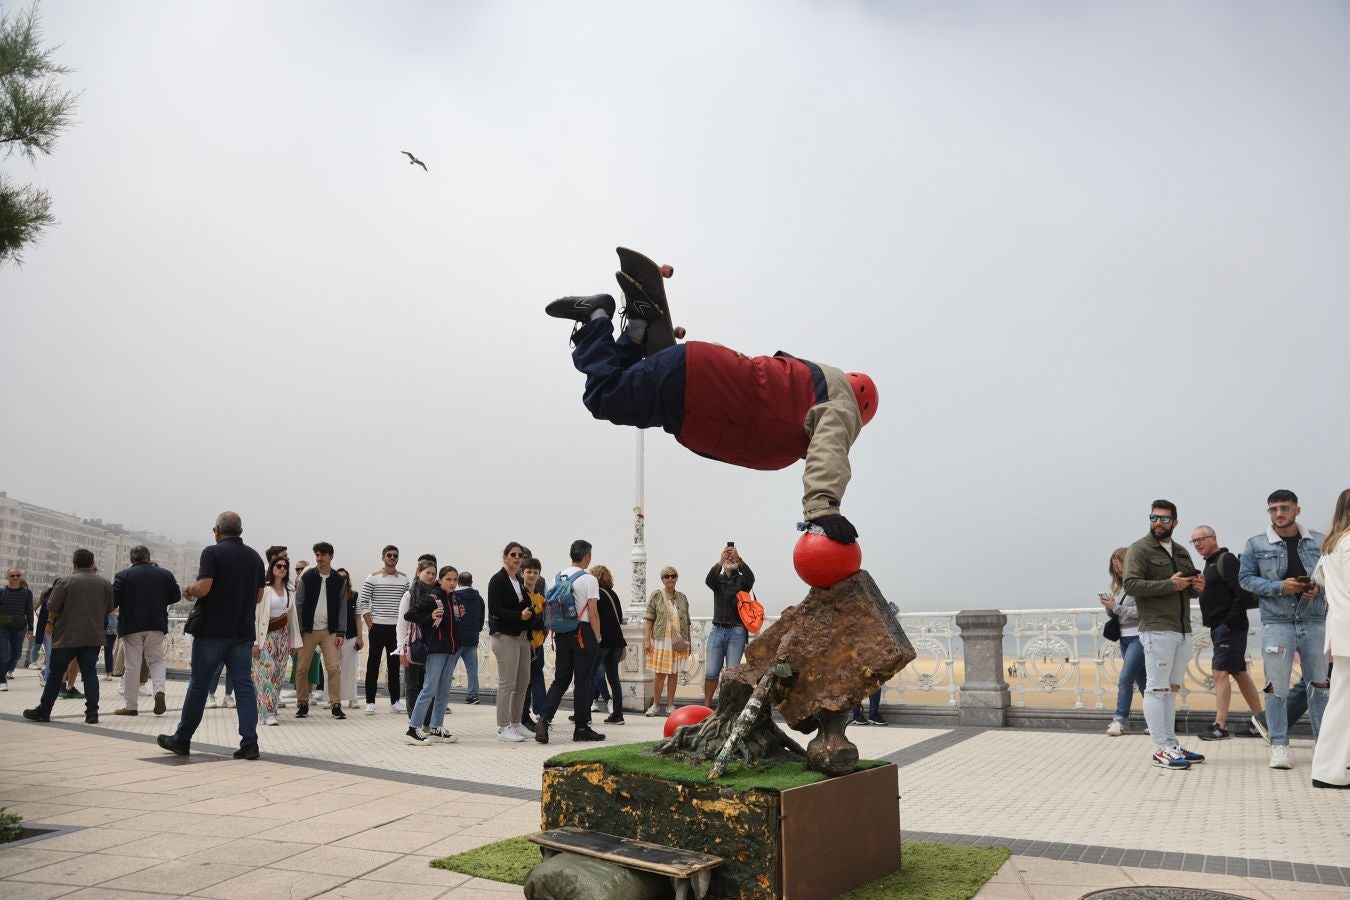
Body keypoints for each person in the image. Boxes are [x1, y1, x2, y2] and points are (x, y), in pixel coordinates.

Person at [545, 293, 877, 545]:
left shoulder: (802, 393)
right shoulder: (841, 404)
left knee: (621, 390)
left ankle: (636, 328)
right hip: (694, 387)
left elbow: (751, 396)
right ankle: (596, 316)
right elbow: (830, 452)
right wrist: (824, 509)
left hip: (691, 393)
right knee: (604, 396)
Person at [158, 512, 265, 758]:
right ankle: (250, 743)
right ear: (240, 531)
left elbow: (204, 588)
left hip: (212, 631)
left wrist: (189, 589)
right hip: (242, 631)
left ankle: (182, 739)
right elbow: (259, 596)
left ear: (217, 530)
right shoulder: (254, 557)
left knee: (199, 684)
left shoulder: (212, 552)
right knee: (244, 686)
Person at [1238, 489, 1328, 770]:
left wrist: (1317, 588)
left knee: (1320, 686)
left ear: (1297, 510)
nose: (1278, 513)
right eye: (1273, 509)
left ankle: (1324, 748)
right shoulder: (1255, 543)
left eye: (1284, 508)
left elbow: (1333, 577)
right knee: (1276, 688)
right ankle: (1279, 744)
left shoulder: (1319, 541)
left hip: (1314, 621)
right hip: (1277, 623)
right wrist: (1280, 587)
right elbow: (1245, 579)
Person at [1122, 500, 1206, 771]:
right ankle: (1160, 749)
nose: (1158, 523)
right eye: (1154, 517)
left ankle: (1171, 744)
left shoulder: (1181, 551)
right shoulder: (1139, 549)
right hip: (1157, 628)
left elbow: (1187, 589)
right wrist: (1169, 585)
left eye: (1164, 519)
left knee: (1171, 690)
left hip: (1182, 629)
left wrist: (1197, 587)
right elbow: (1131, 585)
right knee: (1156, 689)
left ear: (1175, 522)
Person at [1190, 526, 1264, 741]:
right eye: (1194, 541)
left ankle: (1219, 726)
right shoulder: (1209, 564)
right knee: (1239, 673)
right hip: (1221, 628)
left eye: (1201, 539)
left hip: (1229, 627)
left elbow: (1242, 593)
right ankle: (1261, 721)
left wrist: (1228, 623)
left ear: (1213, 538)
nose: (1197, 544)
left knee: (1219, 673)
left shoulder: (1227, 560)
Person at [23, 549, 112, 725]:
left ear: (74, 563)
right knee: (90, 674)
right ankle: (92, 713)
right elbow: (109, 608)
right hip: (93, 636)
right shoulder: (104, 583)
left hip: (67, 636)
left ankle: (44, 710)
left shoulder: (65, 581)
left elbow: (52, 605)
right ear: (92, 563)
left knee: (56, 674)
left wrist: (51, 622)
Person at [535, 540, 605, 745]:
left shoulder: (557, 577)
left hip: (561, 633)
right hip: (583, 632)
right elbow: (593, 612)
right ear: (587, 556)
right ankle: (581, 728)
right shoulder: (589, 579)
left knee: (561, 679)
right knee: (583, 681)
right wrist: (598, 637)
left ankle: (544, 719)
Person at [1311, 488, 1350, 789]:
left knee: (1341, 700)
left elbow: (1320, 581)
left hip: (1340, 628)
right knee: (1341, 702)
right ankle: (1327, 771)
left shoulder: (1332, 544)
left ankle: (1331, 767)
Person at [111, 545, 179, 716]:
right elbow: (176, 596)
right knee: (156, 661)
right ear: (149, 557)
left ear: (131, 559)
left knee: (132, 665)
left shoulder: (123, 575)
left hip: (131, 626)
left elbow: (113, 600)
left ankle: (131, 706)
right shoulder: (165, 574)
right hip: (156, 623)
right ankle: (159, 691)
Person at [403, 565, 462, 745]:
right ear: (440, 580)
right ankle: (413, 729)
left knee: (443, 691)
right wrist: (430, 616)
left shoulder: (454, 599)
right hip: (436, 650)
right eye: (448, 579)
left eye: (455, 580)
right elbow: (410, 615)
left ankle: (436, 727)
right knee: (429, 689)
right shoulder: (432, 598)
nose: (452, 583)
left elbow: (450, 625)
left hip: (451, 650)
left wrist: (460, 615)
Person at [488, 542, 535, 743]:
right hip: (505, 636)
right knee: (507, 683)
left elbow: (526, 609)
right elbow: (495, 609)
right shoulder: (498, 580)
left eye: (520, 555)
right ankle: (503, 726)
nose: (517, 558)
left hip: (522, 637)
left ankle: (516, 723)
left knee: (523, 682)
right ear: (505, 557)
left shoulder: (518, 582)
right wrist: (518, 616)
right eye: (513, 554)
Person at [295, 541, 347, 720]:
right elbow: (298, 604)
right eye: (317, 554)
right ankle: (302, 704)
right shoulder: (307, 577)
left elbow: (342, 607)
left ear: (331, 556)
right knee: (302, 668)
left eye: (323, 554)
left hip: (329, 631)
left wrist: (341, 632)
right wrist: (299, 630)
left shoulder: (338, 580)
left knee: (333, 668)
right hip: (307, 631)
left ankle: (336, 705)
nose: (319, 558)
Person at [358, 545, 409, 715]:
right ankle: (370, 702)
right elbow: (363, 602)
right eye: (389, 555)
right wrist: (370, 624)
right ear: (383, 557)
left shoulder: (404, 579)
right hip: (377, 627)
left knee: (394, 667)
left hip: (396, 628)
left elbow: (408, 603)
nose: (392, 558)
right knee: (373, 665)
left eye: (395, 555)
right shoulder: (372, 578)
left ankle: (395, 701)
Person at [1101, 547, 1146, 736]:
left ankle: (1118, 720)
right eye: (1113, 566)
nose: (1116, 569)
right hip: (1124, 638)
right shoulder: (1120, 588)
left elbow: (1141, 612)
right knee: (1143, 681)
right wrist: (1109, 607)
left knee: (1126, 678)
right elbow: (1118, 613)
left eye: (1118, 564)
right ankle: (1157, 720)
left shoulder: (1138, 585)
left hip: (1139, 637)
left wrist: (1115, 607)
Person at [704, 545, 754, 706]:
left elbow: (751, 577)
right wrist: (721, 560)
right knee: (711, 672)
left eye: (732, 558)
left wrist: (739, 559)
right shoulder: (717, 580)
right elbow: (708, 579)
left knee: (732, 673)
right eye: (728, 558)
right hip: (717, 630)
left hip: (737, 631)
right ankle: (706, 707)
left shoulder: (742, 581)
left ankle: (728, 707)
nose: (730, 560)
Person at [254, 556, 301, 726]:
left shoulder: (290, 590)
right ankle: (266, 712)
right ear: (272, 568)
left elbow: (292, 617)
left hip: (283, 636)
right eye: (278, 566)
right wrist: (254, 642)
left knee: (278, 675)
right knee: (266, 673)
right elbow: (254, 616)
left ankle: (270, 710)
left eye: (285, 566)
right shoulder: (264, 589)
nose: (282, 569)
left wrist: (293, 642)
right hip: (265, 635)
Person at [643, 565, 691, 717]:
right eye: (667, 576)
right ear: (662, 579)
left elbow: (687, 621)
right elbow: (649, 619)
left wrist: (689, 642)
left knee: (673, 673)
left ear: (676, 578)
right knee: (660, 674)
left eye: (673, 576)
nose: (670, 578)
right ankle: (656, 705)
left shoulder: (682, 597)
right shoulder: (657, 596)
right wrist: (647, 640)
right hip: (661, 640)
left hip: (678, 640)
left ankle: (670, 706)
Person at [397, 559, 437, 731]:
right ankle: (414, 722)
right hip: (412, 644)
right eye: (427, 572)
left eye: (434, 574)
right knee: (412, 685)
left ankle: (428, 722)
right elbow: (402, 624)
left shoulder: (437, 595)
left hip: (432, 645)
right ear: (419, 573)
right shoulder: (409, 595)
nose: (431, 576)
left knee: (429, 685)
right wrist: (401, 649)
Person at [590, 564, 628, 725]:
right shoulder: (613, 594)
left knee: (589, 674)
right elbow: (619, 617)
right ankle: (617, 714)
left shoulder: (596, 594)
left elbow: (593, 615)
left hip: (603, 641)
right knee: (613, 677)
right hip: (617, 641)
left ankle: (584, 714)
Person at [519, 558, 548, 730]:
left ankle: (538, 713)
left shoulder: (541, 597)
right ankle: (522, 716)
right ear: (522, 573)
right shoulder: (519, 595)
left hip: (538, 644)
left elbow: (544, 621)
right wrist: (537, 620)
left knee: (536, 678)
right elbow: (526, 621)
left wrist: (538, 621)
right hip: (524, 644)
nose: (531, 575)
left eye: (535, 572)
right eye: (528, 572)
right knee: (524, 682)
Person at [454, 571, 486, 705]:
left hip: (456, 638)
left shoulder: (454, 596)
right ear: (471, 582)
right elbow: (481, 619)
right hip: (472, 638)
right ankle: (473, 695)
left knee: (448, 669)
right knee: (472, 669)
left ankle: (442, 696)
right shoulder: (479, 598)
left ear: (458, 582)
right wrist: (476, 630)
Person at [0, 568, 34, 689]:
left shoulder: (27, 593)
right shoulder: (2, 591)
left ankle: (3, 673)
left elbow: (29, 611)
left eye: (18, 575)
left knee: (16, 654)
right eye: (12, 575)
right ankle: (2, 680)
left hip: (20, 628)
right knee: (5, 654)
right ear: (7, 577)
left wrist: (31, 628)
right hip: (3, 628)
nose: (15, 577)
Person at [335, 568, 364, 710]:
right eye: (339, 577)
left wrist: (360, 637)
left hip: (350, 636)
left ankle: (352, 698)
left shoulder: (354, 596)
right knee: (332, 669)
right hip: (332, 637)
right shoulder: (329, 594)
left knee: (350, 669)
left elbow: (357, 617)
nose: (342, 579)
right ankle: (332, 698)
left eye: (345, 577)